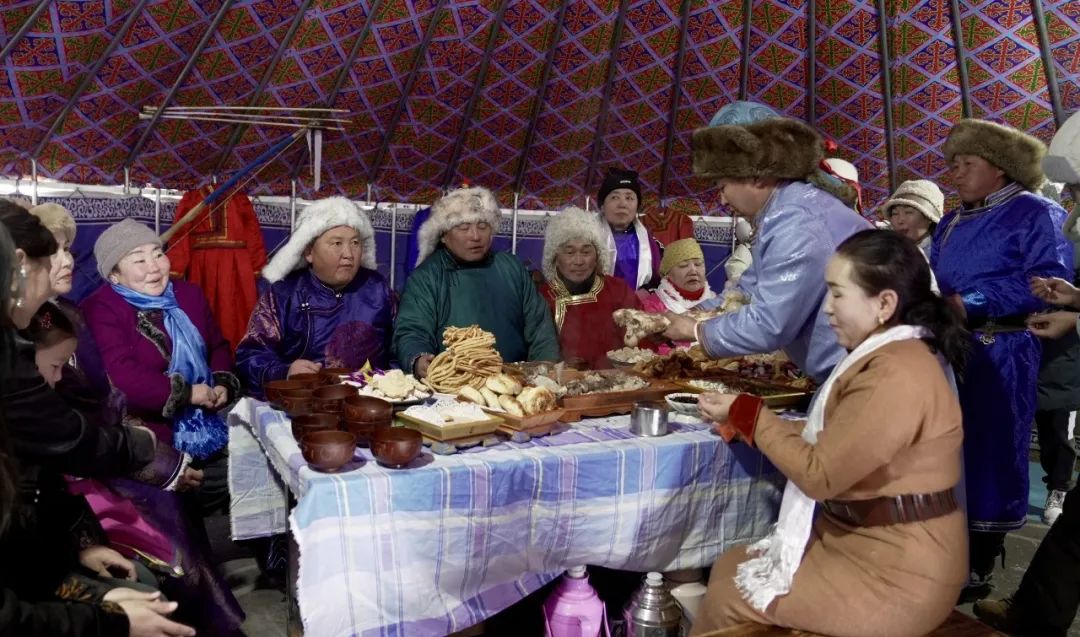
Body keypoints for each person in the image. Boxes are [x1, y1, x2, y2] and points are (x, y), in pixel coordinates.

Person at [691, 229, 968, 636]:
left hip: (898, 574)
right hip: (864, 543)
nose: (827, 308)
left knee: (730, 593)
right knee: (730, 565)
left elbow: (820, 474)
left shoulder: (895, 373)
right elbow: (841, 437)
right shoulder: (894, 355)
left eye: (838, 294)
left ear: (884, 304)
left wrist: (751, 414)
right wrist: (742, 420)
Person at [0, 204, 196, 637]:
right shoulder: (18, 346)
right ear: (20, 264)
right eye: (52, 256)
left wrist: (80, 550)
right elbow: (66, 438)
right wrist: (111, 618)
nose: (64, 263)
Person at [930, 118, 1073, 601]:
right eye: (952, 163)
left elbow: (1047, 280)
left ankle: (980, 561)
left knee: (990, 450)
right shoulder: (951, 220)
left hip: (1004, 349)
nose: (955, 172)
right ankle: (940, 549)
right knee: (946, 447)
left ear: (1000, 167)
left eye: (966, 163)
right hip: (950, 348)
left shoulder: (1036, 211)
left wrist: (968, 303)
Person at [664, 101, 871, 383]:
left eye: (723, 186)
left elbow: (770, 324)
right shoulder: (783, 211)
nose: (722, 199)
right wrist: (690, 315)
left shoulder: (797, 221)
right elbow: (748, 292)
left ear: (757, 175)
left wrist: (694, 330)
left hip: (865, 378)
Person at [973, 110, 1080, 636]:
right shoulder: (958, 221)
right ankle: (1033, 614)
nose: (1073, 202)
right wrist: (1077, 304)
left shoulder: (1035, 215)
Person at [82, 218, 238, 515]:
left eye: (158, 254)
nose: (154, 267)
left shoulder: (189, 295)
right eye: (138, 260)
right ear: (114, 275)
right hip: (146, 434)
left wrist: (221, 382)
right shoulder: (101, 308)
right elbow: (122, 375)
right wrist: (187, 393)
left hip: (208, 420)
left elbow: (217, 346)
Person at [236, 196, 394, 398]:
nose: (348, 253)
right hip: (306, 403)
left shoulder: (378, 289)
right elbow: (249, 356)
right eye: (337, 243)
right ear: (309, 252)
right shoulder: (284, 294)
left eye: (355, 243)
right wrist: (285, 372)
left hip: (369, 402)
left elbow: (399, 347)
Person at [394, 186, 560, 376]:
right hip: (452, 383)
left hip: (514, 381)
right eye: (463, 227)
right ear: (444, 236)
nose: (475, 236)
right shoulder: (426, 277)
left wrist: (544, 373)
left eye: (482, 226)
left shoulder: (511, 267)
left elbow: (540, 329)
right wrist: (418, 358)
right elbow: (412, 329)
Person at [538, 207, 640, 369]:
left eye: (586, 252)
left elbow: (640, 340)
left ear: (598, 256)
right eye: (569, 252)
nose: (579, 261)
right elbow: (536, 352)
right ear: (555, 258)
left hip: (618, 380)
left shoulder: (618, 291)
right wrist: (559, 365)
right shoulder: (542, 297)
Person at [169, 185, 267, 351]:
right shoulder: (192, 199)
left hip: (236, 265)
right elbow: (180, 233)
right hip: (204, 265)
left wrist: (257, 265)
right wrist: (176, 266)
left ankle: (237, 356)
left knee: (235, 313)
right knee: (205, 310)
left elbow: (252, 233)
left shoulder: (239, 199)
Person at [596, 168, 663, 290]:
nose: (623, 204)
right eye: (614, 197)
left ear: (637, 207)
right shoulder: (587, 237)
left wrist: (647, 292)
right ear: (602, 206)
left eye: (629, 198)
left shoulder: (650, 243)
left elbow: (659, 280)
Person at [639, 238, 717, 315]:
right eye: (683, 265)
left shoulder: (718, 303)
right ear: (667, 274)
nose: (693, 271)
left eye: (698, 264)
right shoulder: (651, 308)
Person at [879, 179, 944, 258]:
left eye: (908, 212)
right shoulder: (884, 249)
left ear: (929, 218)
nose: (900, 220)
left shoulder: (943, 253)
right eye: (895, 213)